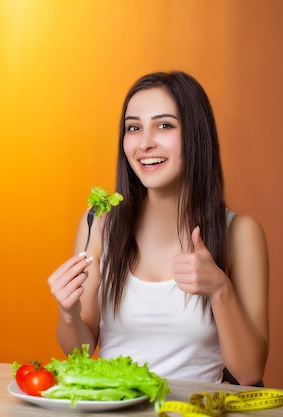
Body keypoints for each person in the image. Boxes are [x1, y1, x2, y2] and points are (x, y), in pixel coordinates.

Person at [47, 71, 269, 386]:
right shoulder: (97, 223)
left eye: (164, 125)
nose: (145, 143)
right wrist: (68, 313)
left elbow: (250, 373)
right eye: (133, 128)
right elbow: (80, 351)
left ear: (196, 136)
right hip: (117, 408)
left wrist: (220, 290)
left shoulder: (240, 233)